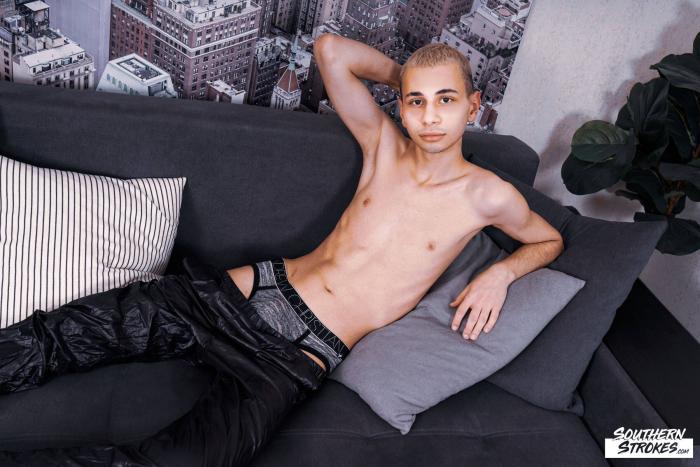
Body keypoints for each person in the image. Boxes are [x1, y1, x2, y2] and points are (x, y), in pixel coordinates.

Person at [0, 35, 564, 466]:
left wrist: (500, 275)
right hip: (243, 294)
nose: (430, 116)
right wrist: (408, 75)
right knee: (69, 333)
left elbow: (548, 239)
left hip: (295, 356)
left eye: (446, 99)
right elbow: (331, 50)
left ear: (473, 105)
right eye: (416, 101)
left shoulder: (489, 195)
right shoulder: (384, 147)